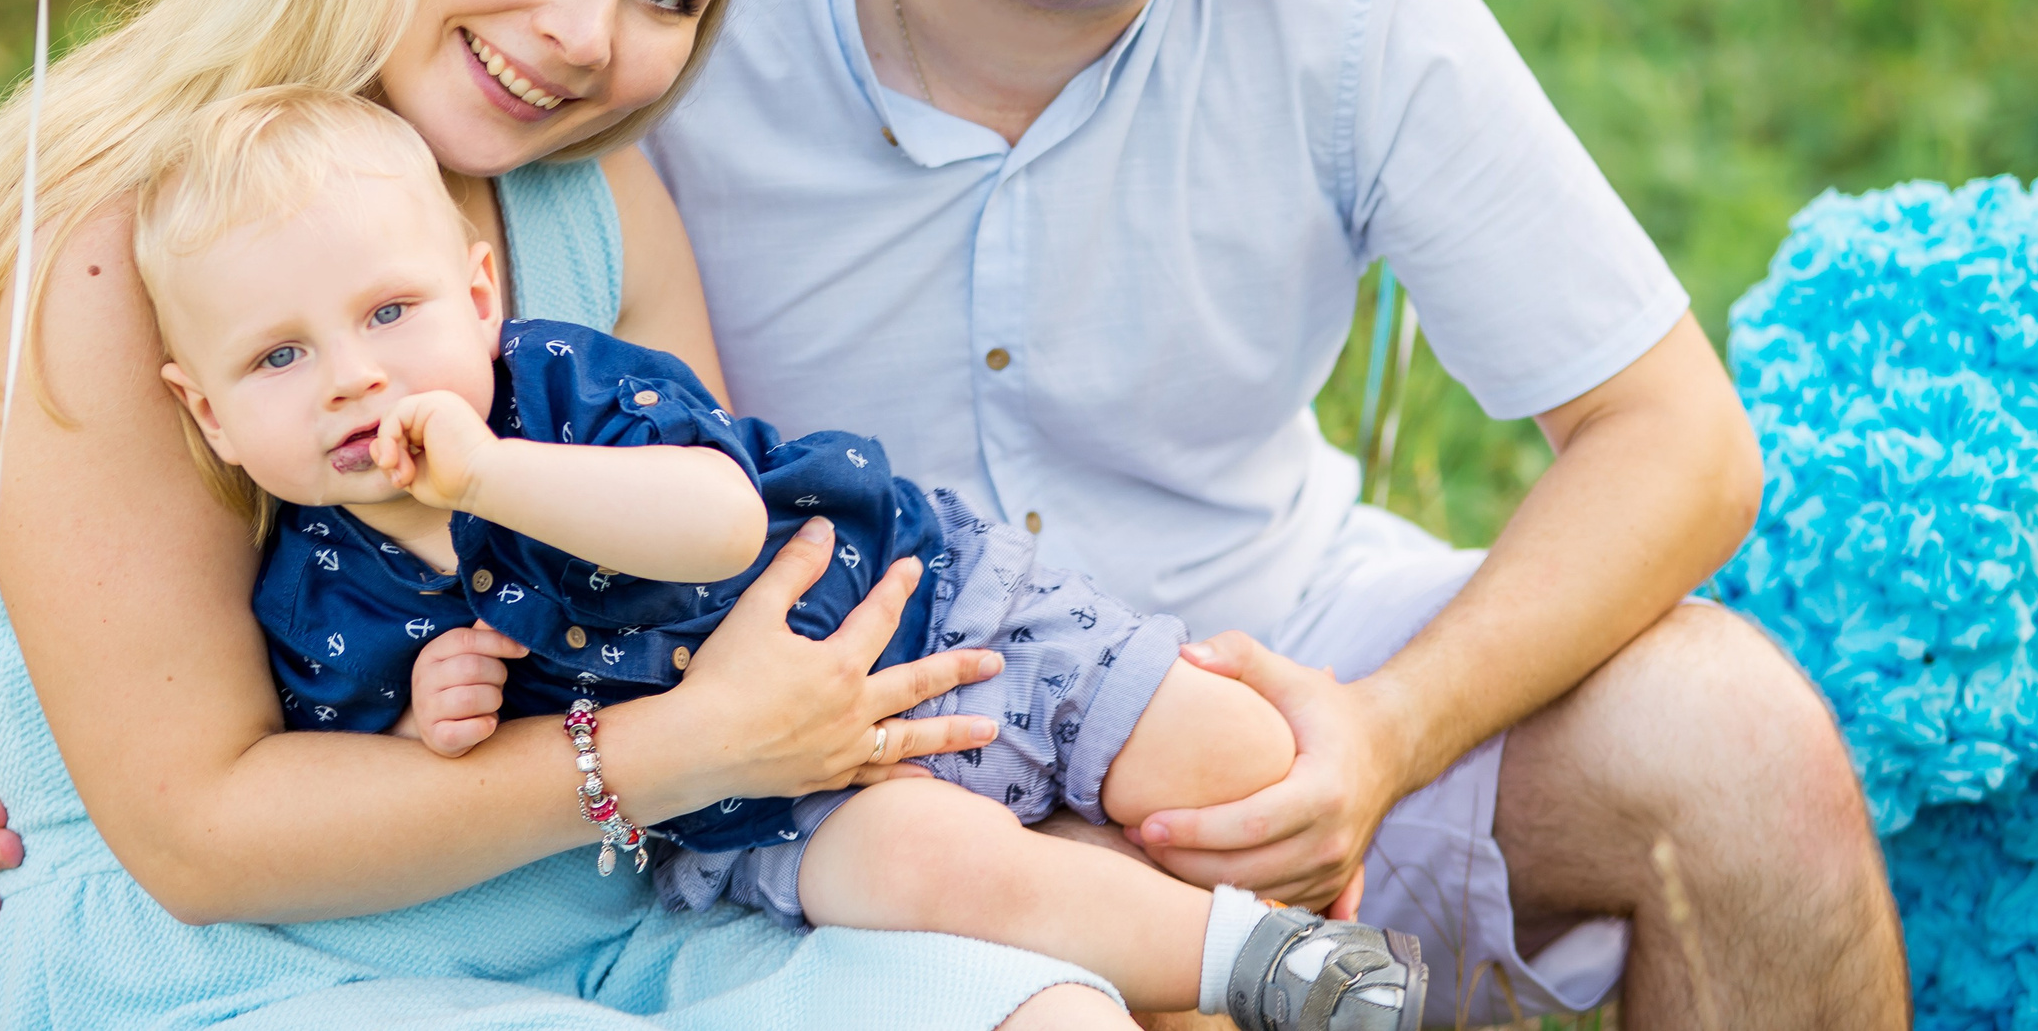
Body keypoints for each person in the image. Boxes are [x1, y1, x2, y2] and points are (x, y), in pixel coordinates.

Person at [0, 0, 1912, 1025]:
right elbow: (182, 605)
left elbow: (1675, 444)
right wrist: (21, 723)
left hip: (1172, 678)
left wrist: (1377, 732)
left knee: (1728, 747)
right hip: (785, 775)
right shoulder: (656, 28)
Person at [0, 0, 1147, 1030]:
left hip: (633, 919)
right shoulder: (95, 237)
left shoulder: (587, 196)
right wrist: (681, 748)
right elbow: (199, 833)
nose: (582, 32)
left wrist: (1062, 807)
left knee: (1061, 1007)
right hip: (242, 964)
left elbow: (715, 627)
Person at [130, 83, 1424, 1026]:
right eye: (279, 357)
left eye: (389, 312)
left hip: (935, 610)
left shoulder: (553, 386)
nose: (353, 375)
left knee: (1230, 763)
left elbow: (719, 520)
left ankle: (1292, 951)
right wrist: (428, 718)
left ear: (479, 296)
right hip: (767, 809)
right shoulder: (319, 592)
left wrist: (485, 472)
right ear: (209, 414)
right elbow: (356, 786)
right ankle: (1268, 973)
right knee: (942, 875)